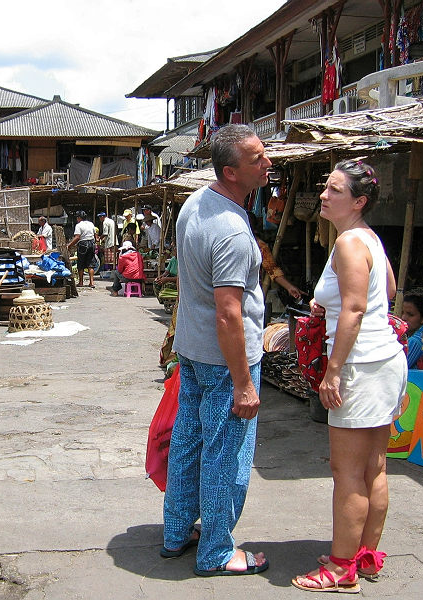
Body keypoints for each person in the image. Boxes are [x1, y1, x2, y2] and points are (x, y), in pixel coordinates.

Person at [293, 160, 407, 593]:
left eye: (335, 190)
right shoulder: (368, 239)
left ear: (358, 201)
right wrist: (336, 304)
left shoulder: (347, 243)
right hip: (386, 361)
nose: (324, 195)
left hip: (361, 366)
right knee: (374, 468)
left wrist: (333, 371)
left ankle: (341, 569)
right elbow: (389, 291)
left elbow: (357, 309)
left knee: (347, 473)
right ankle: (365, 555)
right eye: (326, 187)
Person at [163, 124, 269, 577]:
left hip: (193, 349)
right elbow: (229, 314)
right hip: (224, 361)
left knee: (189, 442)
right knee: (226, 452)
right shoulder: (230, 229)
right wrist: (244, 382)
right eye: (257, 159)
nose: (268, 164)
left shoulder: (195, 204)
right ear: (231, 171)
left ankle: (176, 531)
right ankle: (216, 552)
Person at [66, 211, 96, 288]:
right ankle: (92, 282)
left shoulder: (79, 225)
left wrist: (69, 245)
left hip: (83, 244)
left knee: (81, 263)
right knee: (90, 264)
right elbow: (95, 235)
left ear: (79, 218)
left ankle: (81, 282)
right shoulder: (91, 224)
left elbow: (77, 237)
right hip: (92, 243)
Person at [401, 294, 423, 368]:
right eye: (402, 313)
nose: (403, 317)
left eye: (410, 315)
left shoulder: (415, 341)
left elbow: (400, 369)